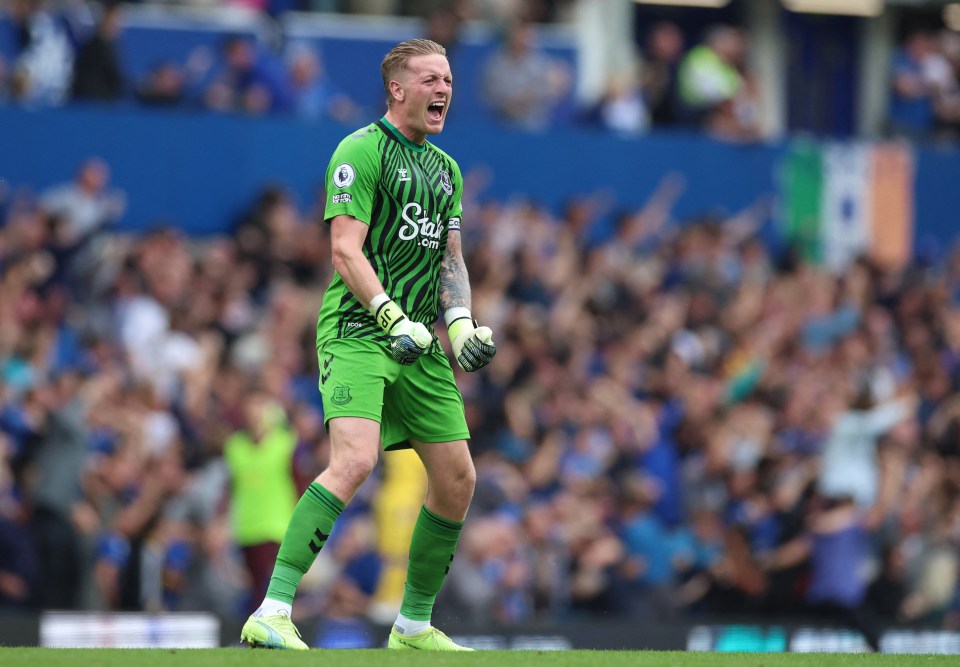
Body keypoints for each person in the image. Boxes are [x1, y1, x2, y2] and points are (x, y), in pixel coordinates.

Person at [239, 38, 496, 651]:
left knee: (458, 477)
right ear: (397, 89)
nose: (443, 90)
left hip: (418, 338)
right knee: (355, 458)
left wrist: (458, 321)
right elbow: (343, 251)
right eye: (430, 79)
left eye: (449, 81)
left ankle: (411, 627)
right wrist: (389, 316)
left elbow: (449, 259)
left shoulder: (446, 170)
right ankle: (272, 610)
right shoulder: (359, 149)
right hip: (359, 328)